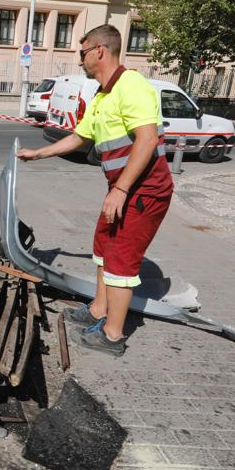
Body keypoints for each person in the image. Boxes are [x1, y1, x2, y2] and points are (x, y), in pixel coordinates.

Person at [17, 24, 173, 357]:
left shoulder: (132, 85)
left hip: (144, 191)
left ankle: (113, 335)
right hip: (122, 188)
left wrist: (120, 190)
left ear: (100, 50)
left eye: (82, 51)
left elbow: (146, 140)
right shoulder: (102, 95)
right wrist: (37, 154)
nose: (80, 59)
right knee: (103, 248)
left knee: (120, 260)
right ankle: (98, 310)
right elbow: (79, 137)